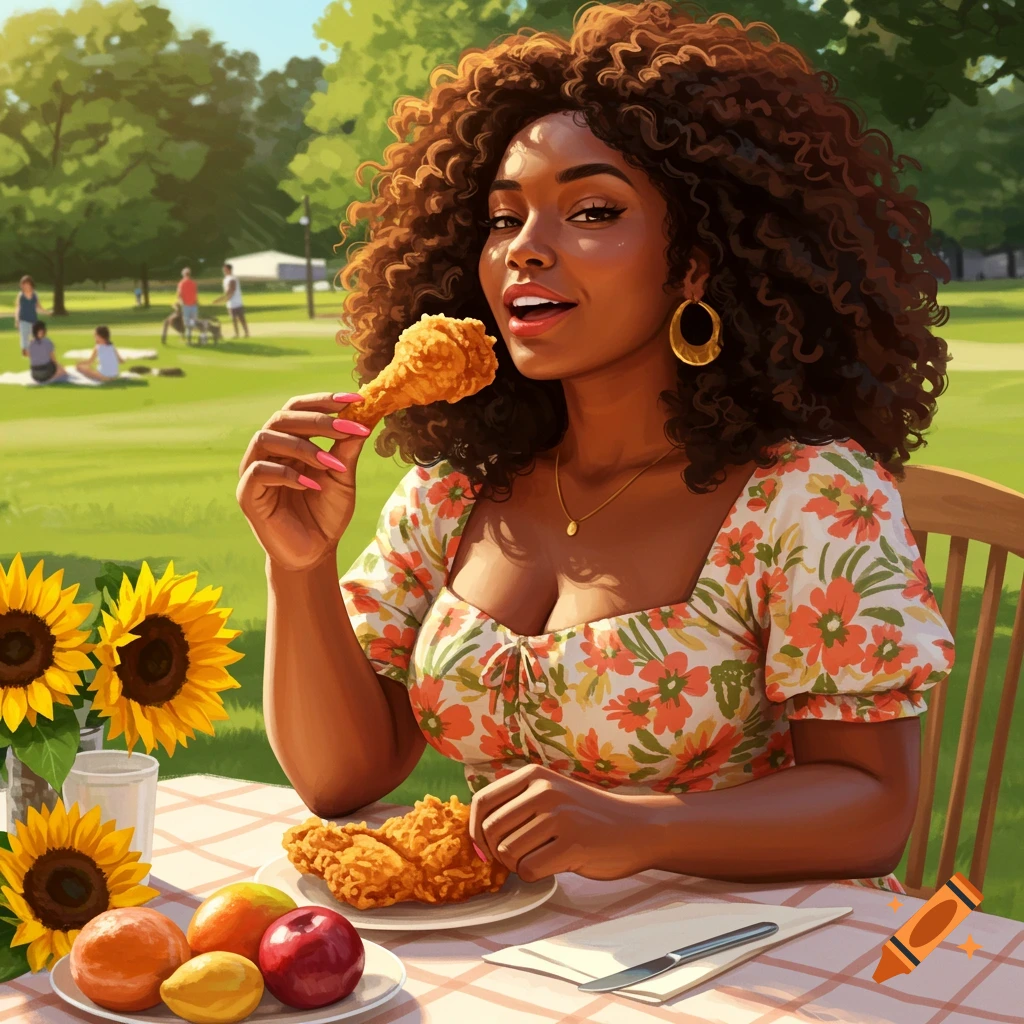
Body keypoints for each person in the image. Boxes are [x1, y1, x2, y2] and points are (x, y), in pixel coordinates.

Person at [238, 3, 955, 896]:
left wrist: (637, 829)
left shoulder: (807, 497)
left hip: (765, 958)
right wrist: (298, 568)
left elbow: (872, 809)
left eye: (589, 210)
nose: (523, 253)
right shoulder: (456, 492)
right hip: (522, 959)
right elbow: (340, 779)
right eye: (503, 220)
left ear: (697, 262)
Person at [13, 276, 49, 357]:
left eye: (27, 284)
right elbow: (17, 308)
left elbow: (39, 307)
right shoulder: (20, 295)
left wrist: (47, 312)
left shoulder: (35, 295)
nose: (26, 286)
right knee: (24, 337)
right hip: (23, 320)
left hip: (33, 320)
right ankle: (26, 353)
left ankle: (34, 351)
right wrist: (16, 320)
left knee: (37, 336)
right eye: (24, 285)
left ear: (31, 284)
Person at [213, 262, 249, 338]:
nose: (224, 271)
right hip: (230, 303)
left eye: (225, 269)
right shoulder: (225, 279)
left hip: (237, 302)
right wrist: (225, 299)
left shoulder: (233, 279)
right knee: (233, 319)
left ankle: (246, 333)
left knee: (241, 318)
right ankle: (237, 334)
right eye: (223, 270)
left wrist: (220, 300)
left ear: (230, 270)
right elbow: (227, 292)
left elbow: (230, 291)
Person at [177, 267, 200, 343]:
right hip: (188, 305)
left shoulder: (191, 283)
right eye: (186, 274)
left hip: (191, 305)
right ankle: (188, 337)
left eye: (187, 274)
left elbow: (195, 294)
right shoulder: (182, 283)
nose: (187, 275)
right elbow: (179, 295)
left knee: (191, 322)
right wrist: (181, 302)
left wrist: (196, 302)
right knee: (188, 322)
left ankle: (188, 336)